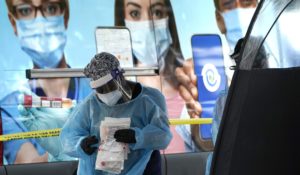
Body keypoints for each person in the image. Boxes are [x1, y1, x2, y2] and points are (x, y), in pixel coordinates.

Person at [0, 0, 92, 164]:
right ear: (14, 23)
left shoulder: (99, 89)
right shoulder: (13, 109)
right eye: (25, 10)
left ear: (65, 15)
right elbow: (28, 166)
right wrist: (58, 152)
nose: (40, 22)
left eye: (50, 7)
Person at [60, 52, 172, 175]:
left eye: (107, 87)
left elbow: (163, 135)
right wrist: (81, 144)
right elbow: (68, 136)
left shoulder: (150, 98)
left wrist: (137, 137)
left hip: (141, 169)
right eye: (99, 90)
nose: (104, 93)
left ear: (119, 77)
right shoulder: (91, 104)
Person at [175, 0, 258, 152]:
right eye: (229, 4)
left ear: (259, 8)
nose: (239, 12)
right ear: (219, 20)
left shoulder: (286, 59)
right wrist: (200, 131)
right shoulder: (206, 74)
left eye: (247, 2)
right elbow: (202, 142)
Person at [114, 0, 187, 153]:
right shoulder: (112, 92)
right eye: (135, 13)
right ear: (122, 22)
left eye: (157, 12)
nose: (148, 24)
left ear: (169, 18)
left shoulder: (189, 84)